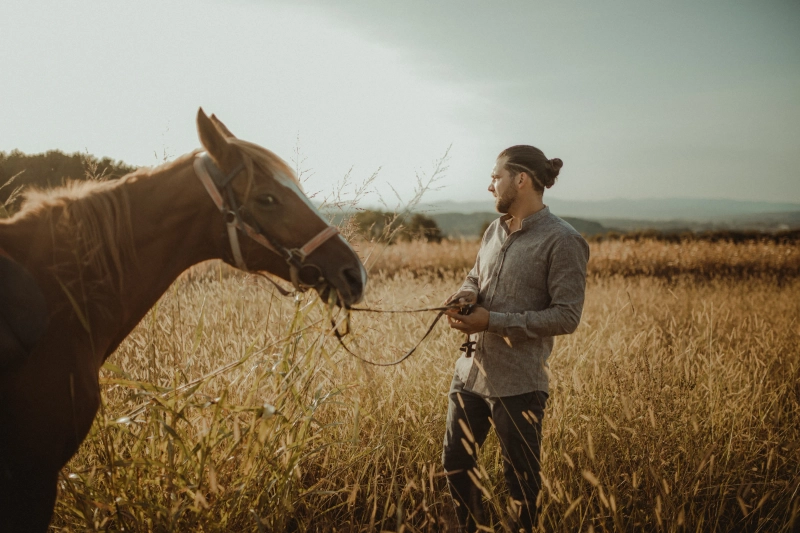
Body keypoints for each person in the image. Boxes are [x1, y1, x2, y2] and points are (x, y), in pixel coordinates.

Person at [442, 145, 589, 532]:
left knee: (520, 487)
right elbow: (475, 276)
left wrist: (492, 321)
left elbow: (566, 316)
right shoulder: (494, 229)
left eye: (496, 176)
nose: (490, 184)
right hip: (469, 374)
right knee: (455, 465)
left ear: (521, 179)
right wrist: (467, 294)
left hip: (519, 384)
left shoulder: (564, 240)